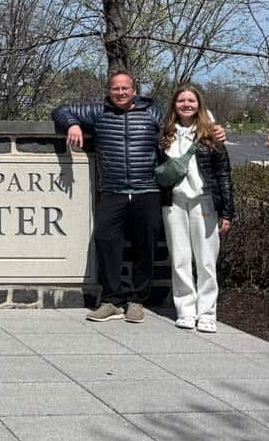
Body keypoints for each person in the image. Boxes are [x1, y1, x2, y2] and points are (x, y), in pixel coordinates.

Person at [52, 71, 225, 323]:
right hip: (112, 190)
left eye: (125, 88)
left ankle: (136, 300)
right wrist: (73, 124)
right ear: (109, 91)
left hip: (148, 190)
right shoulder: (98, 112)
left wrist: (215, 130)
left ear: (134, 90)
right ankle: (112, 301)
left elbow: (183, 125)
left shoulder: (152, 112)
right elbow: (60, 110)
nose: (120, 93)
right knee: (105, 241)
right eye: (115, 89)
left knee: (145, 245)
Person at [157, 85, 234, 333]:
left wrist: (227, 212)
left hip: (205, 201)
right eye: (182, 100)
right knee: (180, 259)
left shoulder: (211, 134)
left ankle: (207, 313)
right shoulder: (164, 133)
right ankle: (186, 310)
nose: (186, 104)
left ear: (199, 105)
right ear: (174, 105)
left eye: (191, 100)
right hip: (174, 203)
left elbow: (224, 174)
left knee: (206, 260)